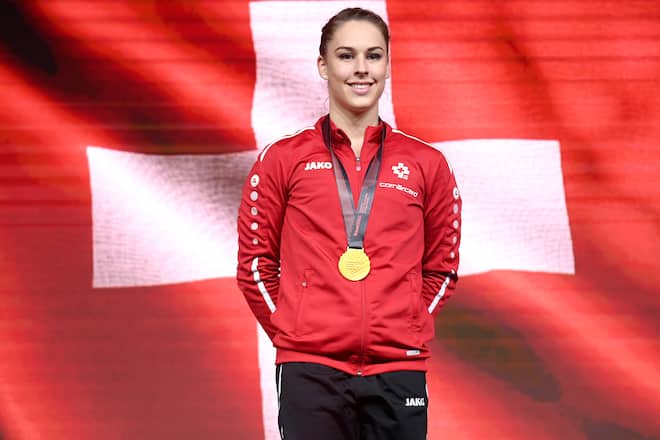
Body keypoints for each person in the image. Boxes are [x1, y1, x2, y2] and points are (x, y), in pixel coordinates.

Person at [236, 7, 461, 440]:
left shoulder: (426, 164)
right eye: (346, 55)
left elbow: (442, 268)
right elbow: (254, 266)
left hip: (399, 368)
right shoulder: (283, 159)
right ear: (323, 65)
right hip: (311, 371)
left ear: (388, 64)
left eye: (373, 56)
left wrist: (407, 324)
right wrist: (296, 332)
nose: (361, 69)